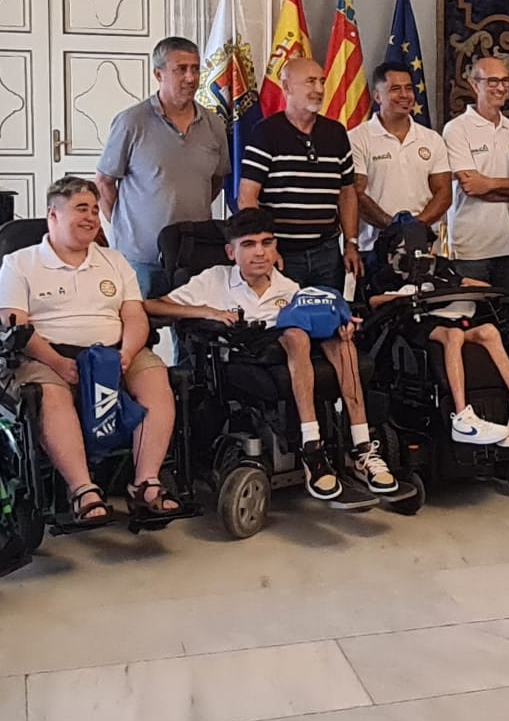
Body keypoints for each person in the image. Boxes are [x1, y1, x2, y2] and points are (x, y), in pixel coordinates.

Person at [145, 207, 402, 507]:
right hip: (245, 353)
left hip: (290, 355)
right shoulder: (214, 280)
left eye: (267, 243)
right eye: (249, 244)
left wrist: (341, 323)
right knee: (296, 335)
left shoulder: (288, 287)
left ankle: (361, 446)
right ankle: (312, 447)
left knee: (339, 336)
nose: (260, 252)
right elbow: (154, 305)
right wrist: (207, 311)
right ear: (231, 252)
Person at [0, 176, 179, 525]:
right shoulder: (20, 263)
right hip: (44, 354)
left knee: (155, 375)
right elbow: (15, 326)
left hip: (115, 350)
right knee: (51, 394)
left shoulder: (114, 260)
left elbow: (134, 316)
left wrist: (127, 353)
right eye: (81, 209)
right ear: (53, 214)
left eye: (94, 210)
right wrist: (57, 362)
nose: (92, 217)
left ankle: (145, 483)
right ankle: (83, 491)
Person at [364, 220, 509, 446]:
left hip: (452, 317)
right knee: (454, 335)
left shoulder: (441, 268)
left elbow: (466, 282)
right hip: (417, 324)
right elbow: (374, 301)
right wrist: (405, 296)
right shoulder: (387, 275)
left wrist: (485, 290)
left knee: (490, 331)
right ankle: (462, 414)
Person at [95, 36, 229, 300]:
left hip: (193, 257)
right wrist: (125, 227)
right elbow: (104, 182)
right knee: (138, 323)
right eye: (181, 69)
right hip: (140, 260)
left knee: (193, 324)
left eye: (195, 69)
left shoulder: (214, 124)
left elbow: (216, 180)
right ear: (158, 74)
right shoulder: (131, 122)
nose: (190, 77)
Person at [238, 56, 360, 291]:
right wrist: (266, 248)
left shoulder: (336, 133)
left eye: (322, 81)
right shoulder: (265, 132)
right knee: (283, 313)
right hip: (282, 253)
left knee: (329, 311)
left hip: (327, 252)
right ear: (286, 87)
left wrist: (351, 243)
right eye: (310, 82)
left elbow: (347, 193)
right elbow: (247, 197)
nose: (319, 89)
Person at [351, 63, 451, 270]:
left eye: (409, 88)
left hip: (424, 247)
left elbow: (444, 192)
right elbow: (356, 194)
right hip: (373, 248)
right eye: (395, 89)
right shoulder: (356, 138)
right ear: (377, 96)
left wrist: (414, 229)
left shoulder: (432, 139)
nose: (405, 95)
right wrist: (395, 229)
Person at [443, 55, 509, 288]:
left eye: (505, 80)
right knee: (470, 308)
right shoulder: (457, 129)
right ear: (474, 84)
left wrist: (488, 184)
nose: (500, 87)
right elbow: (470, 186)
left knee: (507, 308)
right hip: (470, 247)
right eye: (492, 81)